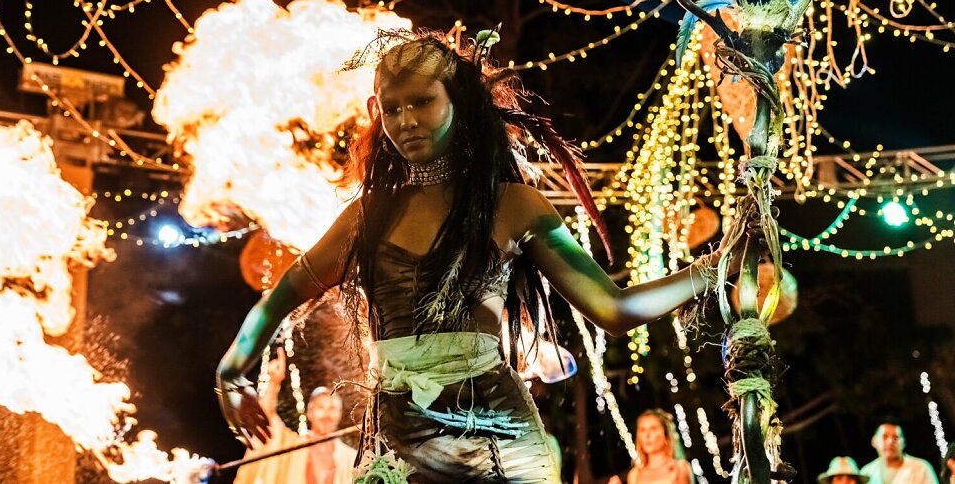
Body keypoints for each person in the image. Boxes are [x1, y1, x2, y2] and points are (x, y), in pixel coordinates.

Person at [215, 31, 736, 483]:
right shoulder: (363, 218)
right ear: (376, 111)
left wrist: (716, 267)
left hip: (499, 439)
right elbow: (279, 298)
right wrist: (231, 372)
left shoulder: (513, 206)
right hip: (399, 439)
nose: (406, 121)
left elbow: (614, 309)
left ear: (459, 102)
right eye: (392, 108)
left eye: (422, 102)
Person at [234, 348, 357, 484]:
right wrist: (273, 382)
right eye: (321, 407)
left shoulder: (351, 459)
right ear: (310, 413)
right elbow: (267, 422)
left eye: (332, 408)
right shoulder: (292, 446)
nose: (326, 414)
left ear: (339, 414)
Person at [609, 410, 692, 484]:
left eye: (653, 429)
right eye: (642, 430)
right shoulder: (634, 474)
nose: (647, 435)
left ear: (665, 434)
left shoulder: (679, 468)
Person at [861, 423, 940, 484]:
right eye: (885, 437)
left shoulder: (921, 468)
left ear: (904, 443)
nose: (890, 442)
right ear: (874, 441)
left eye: (895, 437)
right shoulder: (866, 472)